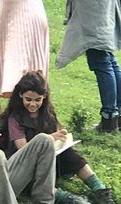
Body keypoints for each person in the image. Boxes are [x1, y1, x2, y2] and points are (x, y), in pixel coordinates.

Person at [0, 71, 120, 204]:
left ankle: (100, 190)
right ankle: (69, 199)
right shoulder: (15, 119)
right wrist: (50, 138)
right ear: (20, 95)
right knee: (33, 181)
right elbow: (23, 149)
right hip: (27, 164)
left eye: (38, 100)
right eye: (28, 99)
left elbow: (59, 132)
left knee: (71, 155)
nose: (33, 104)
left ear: (44, 97)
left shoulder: (47, 113)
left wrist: (62, 138)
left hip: (51, 157)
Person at [56, 0, 121, 133]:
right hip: (102, 10)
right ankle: (116, 114)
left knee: (102, 61)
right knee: (109, 60)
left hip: (94, 12)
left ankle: (110, 117)